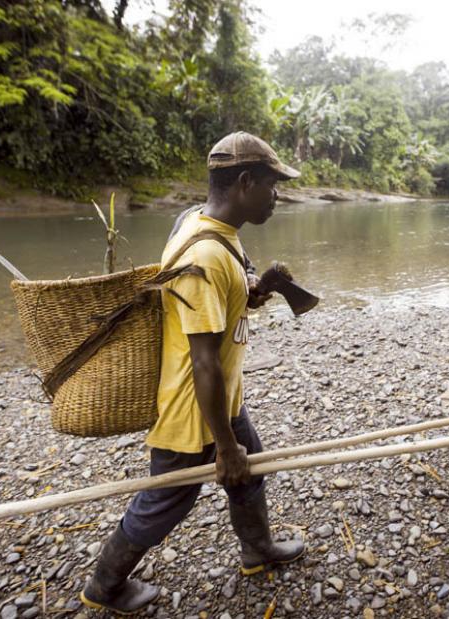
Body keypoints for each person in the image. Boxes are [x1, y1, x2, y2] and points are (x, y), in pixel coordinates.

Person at [79, 132, 306, 614]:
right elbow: (202, 360)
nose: (277, 195)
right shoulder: (201, 256)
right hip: (194, 408)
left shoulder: (210, 228)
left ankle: (257, 550)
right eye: (273, 185)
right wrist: (224, 446)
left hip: (224, 399)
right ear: (245, 182)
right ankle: (104, 586)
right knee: (167, 501)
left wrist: (256, 289)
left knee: (252, 470)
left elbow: (225, 301)